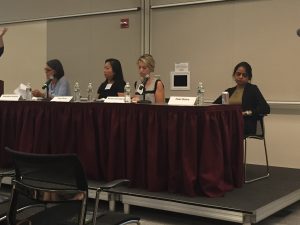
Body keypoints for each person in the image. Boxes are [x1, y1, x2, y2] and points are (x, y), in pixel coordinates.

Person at [214, 61, 270, 135]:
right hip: (229, 123)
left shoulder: (252, 89)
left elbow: (265, 108)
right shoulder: (229, 91)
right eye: (238, 74)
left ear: (249, 77)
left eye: (244, 75)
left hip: (245, 123)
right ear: (234, 75)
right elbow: (214, 105)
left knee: (223, 130)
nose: (240, 77)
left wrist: (246, 113)